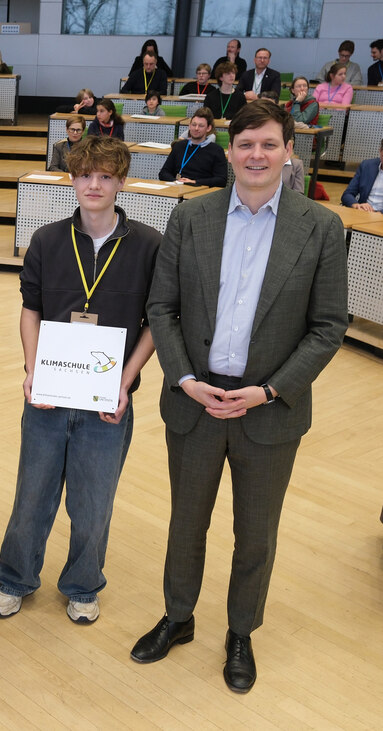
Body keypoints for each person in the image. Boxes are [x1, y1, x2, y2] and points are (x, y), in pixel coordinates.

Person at [134, 101, 348, 694]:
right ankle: (178, 619)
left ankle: (240, 633)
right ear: (229, 151)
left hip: (270, 408)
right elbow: (162, 307)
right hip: (195, 401)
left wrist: (270, 389)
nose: (257, 155)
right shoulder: (192, 218)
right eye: (246, 144)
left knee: (256, 533)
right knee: (186, 523)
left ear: (288, 153)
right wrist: (182, 377)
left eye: (269, 145)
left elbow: (329, 325)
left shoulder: (322, 226)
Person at [0, 135, 160, 625]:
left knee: (93, 504)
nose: (94, 184)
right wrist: (32, 370)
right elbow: (31, 310)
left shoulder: (148, 244)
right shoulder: (46, 239)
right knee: (31, 497)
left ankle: (83, 585)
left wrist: (125, 383)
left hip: (109, 400)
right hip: (49, 392)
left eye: (106, 176)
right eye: (85, 175)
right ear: (72, 179)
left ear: (121, 182)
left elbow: (155, 324)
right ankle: (15, 579)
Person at [158, 108, 227, 187]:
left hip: (200, 191)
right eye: (194, 125)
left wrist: (194, 182)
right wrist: (177, 181)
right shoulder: (179, 146)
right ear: (189, 126)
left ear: (208, 128)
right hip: (177, 187)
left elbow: (221, 180)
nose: (196, 128)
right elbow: (163, 173)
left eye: (201, 126)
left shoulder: (216, 150)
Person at [341, 138, 383, 211]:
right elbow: (347, 194)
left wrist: (378, 213)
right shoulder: (367, 166)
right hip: (363, 213)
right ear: (380, 151)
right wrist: (356, 205)